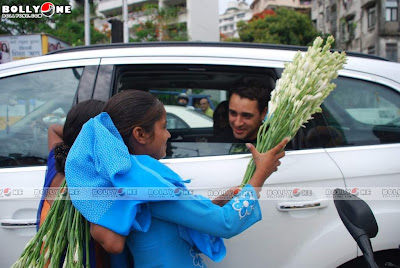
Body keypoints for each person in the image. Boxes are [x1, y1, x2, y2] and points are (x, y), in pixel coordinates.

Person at [65, 90, 288, 267]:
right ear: (140, 134)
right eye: (164, 127)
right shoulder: (147, 184)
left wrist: (214, 203)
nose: (169, 135)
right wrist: (260, 175)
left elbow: (169, 220)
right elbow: (225, 223)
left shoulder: (126, 179)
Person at [36, 100, 125, 267]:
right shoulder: (91, 182)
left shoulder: (56, 162)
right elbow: (114, 244)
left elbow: (53, 128)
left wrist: (77, 133)